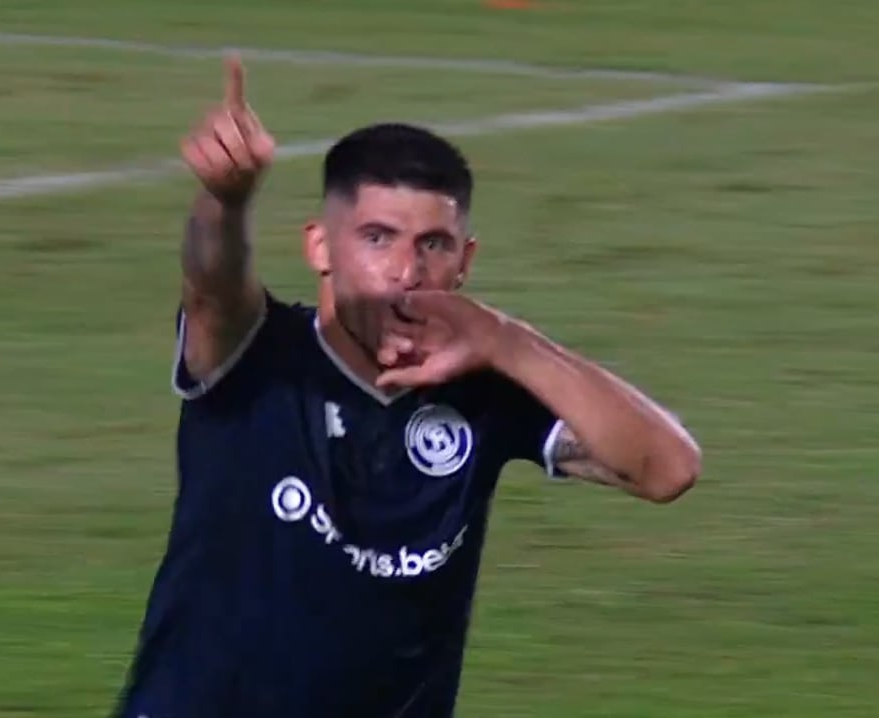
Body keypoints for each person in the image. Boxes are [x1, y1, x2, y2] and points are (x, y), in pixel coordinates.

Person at [115, 56, 701, 718]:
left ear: (465, 261)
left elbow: (668, 468)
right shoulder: (259, 354)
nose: (405, 271)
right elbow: (213, 285)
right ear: (319, 248)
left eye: (434, 245)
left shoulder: (487, 386)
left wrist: (507, 340)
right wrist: (226, 200)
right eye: (377, 238)